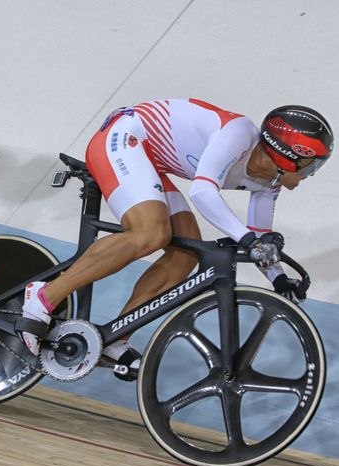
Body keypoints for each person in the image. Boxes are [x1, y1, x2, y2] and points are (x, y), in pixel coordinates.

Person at [20, 99, 333, 380]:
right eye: (313, 164)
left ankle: (116, 337)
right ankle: (45, 296)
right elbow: (202, 191)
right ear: (290, 155)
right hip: (126, 138)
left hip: (151, 162)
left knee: (184, 257)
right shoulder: (238, 134)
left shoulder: (270, 182)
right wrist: (247, 238)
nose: (313, 173)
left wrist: (280, 280)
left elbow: (260, 240)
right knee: (151, 234)